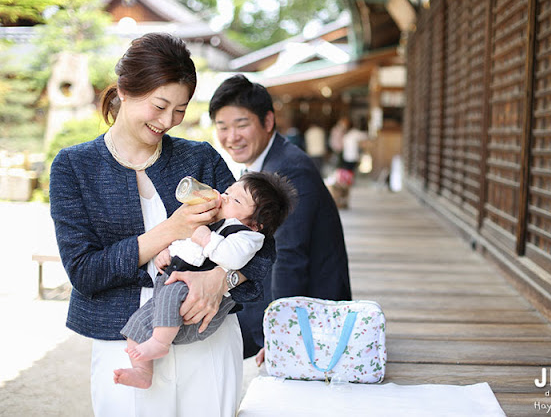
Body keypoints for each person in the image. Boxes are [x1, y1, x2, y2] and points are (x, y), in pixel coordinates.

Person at [49, 33, 274, 417]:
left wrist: (222, 279)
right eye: (159, 105)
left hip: (208, 337)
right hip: (125, 343)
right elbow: (84, 272)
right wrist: (170, 230)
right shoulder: (74, 167)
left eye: (180, 110)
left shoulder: (200, 158)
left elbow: (263, 246)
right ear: (123, 90)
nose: (167, 121)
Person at [209, 74, 352, 363]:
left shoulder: (287, 172)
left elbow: (289, 255)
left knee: (208, 336)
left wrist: (280, 334)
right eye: (222, 127)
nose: (231, 137)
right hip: (286, 296)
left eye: (241, 124)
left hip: (313, 313)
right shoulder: (268, 163)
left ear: (268, 122)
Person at [114, 172, 297, 389]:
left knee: (172, 294)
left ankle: (160, 343)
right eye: (227, 192)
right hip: (173, 279)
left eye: (236, 200)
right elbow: (184, 243)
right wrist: (168, 251)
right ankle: (142, 371)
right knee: (137, 322)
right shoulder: (211, 219)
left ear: (256, 224)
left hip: (190, 290)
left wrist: (206, 239)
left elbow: (234, 256)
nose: (225, 197)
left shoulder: (247, 236)